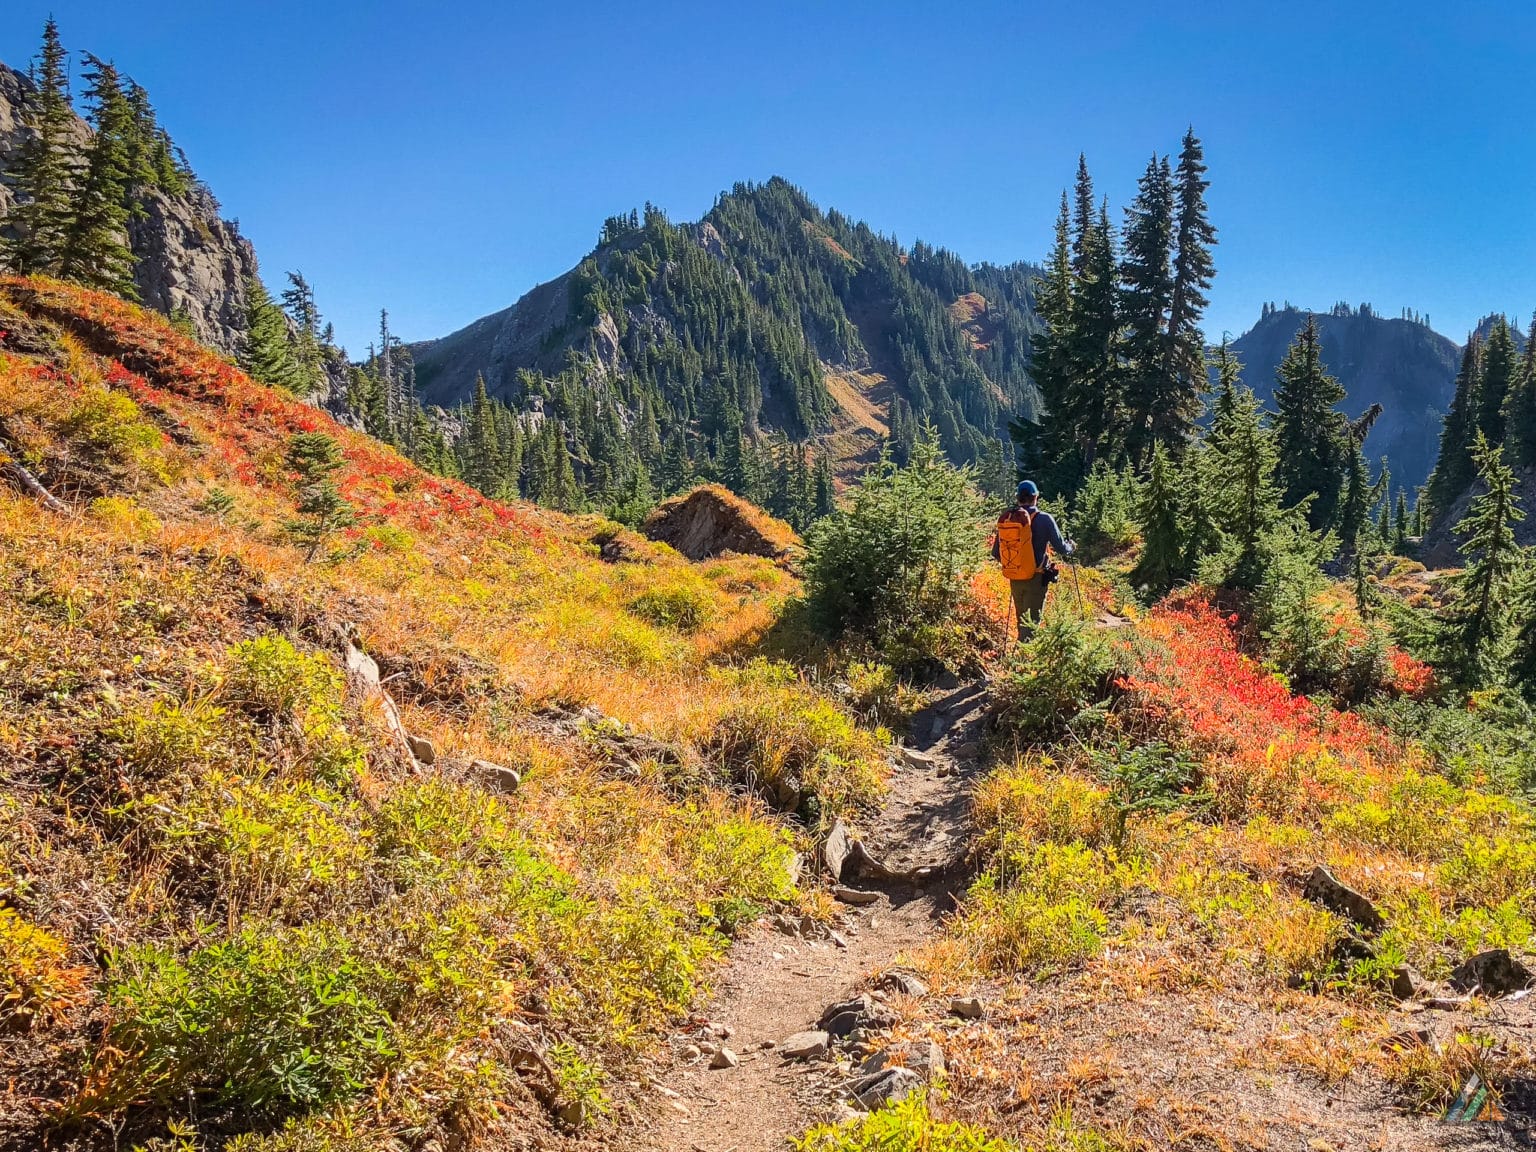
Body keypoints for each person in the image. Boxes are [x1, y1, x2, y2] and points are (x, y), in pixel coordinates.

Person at [992, 480, 1073, 641]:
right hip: (1035, 578)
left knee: (1022, 623)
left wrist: (1016, 564)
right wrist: (1071, 547)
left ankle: (1018, 661)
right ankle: (1023, 663)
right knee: (1031, 626)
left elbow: (996, 552)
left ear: (1018, 498)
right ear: (1035, 497)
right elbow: (1062, 548)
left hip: (1015, 577)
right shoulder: (1044, 519)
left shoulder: (1009, 519)